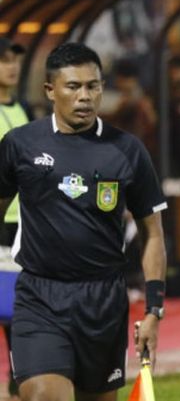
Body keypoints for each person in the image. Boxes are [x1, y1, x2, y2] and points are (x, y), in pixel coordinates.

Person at [0, 42, 167, 401]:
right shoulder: (20, 145)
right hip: (39, 295)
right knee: (45, 394)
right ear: (50, 90)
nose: (85, 96)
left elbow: (153, 234)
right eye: (73, 87)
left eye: (93, 86)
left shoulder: (127, 150)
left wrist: (154, 309)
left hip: (102, 300)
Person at [0, 37, 32, 401]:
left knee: (16, 300)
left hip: (21, 221)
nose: (11, 66)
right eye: (4, 60)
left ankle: (17, 372)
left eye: (14, 59)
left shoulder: (22, 107)